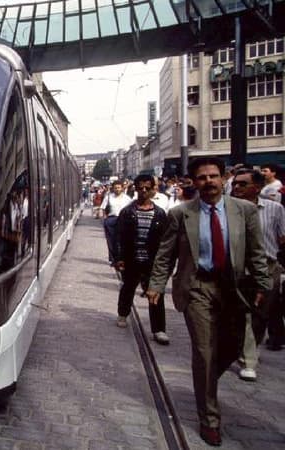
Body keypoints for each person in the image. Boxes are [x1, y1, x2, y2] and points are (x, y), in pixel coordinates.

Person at [146, 157, 269, 446]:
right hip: (197, 286)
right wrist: (156, 284)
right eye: (202, 178)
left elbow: (256, 252)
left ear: (223, 177)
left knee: (232, 346)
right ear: (193, 181)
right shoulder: (180, 214)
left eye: (214, 176)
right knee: (204, 352)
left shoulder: (245, 211)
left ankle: (206, 379)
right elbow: (166, 254)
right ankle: (209, 419)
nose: (209, 182)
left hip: (233, 289)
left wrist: (263, 283)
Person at [231, 169, 285, 363]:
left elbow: (282, 238)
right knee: (237, 311)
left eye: (243, 184)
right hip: (236, 266)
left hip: (268, 266)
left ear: (258, 187)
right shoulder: (227, 209)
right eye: (235, 183)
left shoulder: (275, 209)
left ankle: (250, 350)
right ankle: (242, 349)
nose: (236, 187)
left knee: (260, 313)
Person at [114, 174, 169, 343]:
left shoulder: (160, 214)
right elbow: (118, 237)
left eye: (147, 188)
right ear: (135, 189)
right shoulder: (127, 212)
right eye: (140, 188)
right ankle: (123, 314)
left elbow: (165, 241)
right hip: (131, 259)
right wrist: (119, 258)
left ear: (153, 190)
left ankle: (159, 329)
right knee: (128, 288)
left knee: (155, 294)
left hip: (151, 261)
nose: (143, 191)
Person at [100, 180, 132, 267]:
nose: (117, 189)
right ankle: (112, 259)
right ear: (113, 189)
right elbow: (103, 207)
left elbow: (131, 210)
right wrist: (105, 218)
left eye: (119, 187)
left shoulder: (127, 199)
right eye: (115, 188)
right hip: (111, 219)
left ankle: (121, 258)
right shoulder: (109, 197)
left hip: (123, 220)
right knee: (111, 240)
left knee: (122, 240)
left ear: (122, 188)